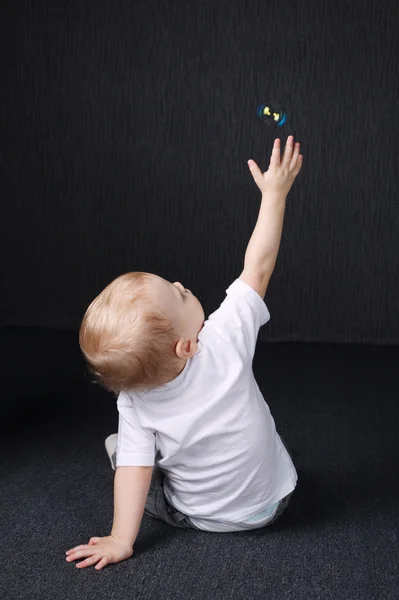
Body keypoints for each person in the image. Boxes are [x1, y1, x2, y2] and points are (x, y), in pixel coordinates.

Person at [66, 135, 303, 570]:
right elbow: (260, 263)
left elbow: (136, 474)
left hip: (205, 519)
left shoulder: (133, 401)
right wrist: (275, 194)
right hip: (277, 500)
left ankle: (132, 449)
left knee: (133, 461)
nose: (182, 285)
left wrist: (121, 538)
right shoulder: (225, 336)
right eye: (180, 292)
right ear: (188, 345)